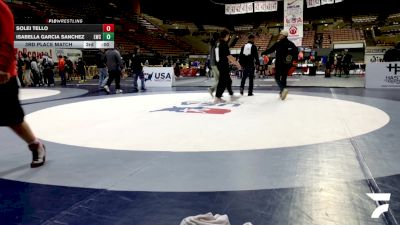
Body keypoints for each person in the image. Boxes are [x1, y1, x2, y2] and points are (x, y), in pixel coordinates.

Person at [0, 0, 46, 168]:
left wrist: (2, 66)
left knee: (13, 118)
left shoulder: (1, 8)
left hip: (3, 75)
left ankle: (36, 145)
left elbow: (7, 39)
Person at [262, 30, 298, 100]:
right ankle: (282, 93)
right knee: (284, 78)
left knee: (277, 77)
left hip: (280, 63)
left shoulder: (279, 43)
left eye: (280, 34)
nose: (279, 36)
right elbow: (296, 53)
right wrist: (293, 62)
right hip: (288, 64)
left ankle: (283, 89)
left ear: (284, 35)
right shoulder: (291, 44)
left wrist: (263, 53)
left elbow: (271, 50)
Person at [215, 30, 241, 103]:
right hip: (223, 65)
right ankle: (217, 97)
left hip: (220, 64)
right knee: (223, 81)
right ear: (226, 35)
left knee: (228, 80)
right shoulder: (223, 44)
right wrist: (237, 63)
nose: (229, 37)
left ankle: (231, 95)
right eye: (228, 36)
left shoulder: (218, 43)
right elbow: (228, 56)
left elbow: (222, 55)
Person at [208, 32, 220, 98]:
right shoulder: (217, 44)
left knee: (217, 80)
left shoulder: (211, 44)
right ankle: (211, 89)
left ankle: (217, 94)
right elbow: (218, 55)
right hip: (216, 64)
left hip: (212, 63)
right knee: (221, 80)